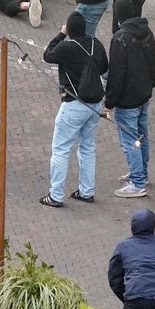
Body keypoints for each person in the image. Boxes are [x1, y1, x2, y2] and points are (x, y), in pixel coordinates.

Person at [39, 12, 108, 207]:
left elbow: (47, 55)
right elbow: (103, 68)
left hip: (74, 103)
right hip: (94, 104)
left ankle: (56, 195)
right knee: (87, 148)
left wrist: (61, 34)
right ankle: (87, 192)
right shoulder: (96, 44)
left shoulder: (67, 47)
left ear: (69, 29)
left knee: (60, 149)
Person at [105, 0, 155, 198]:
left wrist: (109, 101)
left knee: (130, 141)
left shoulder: (120, 38)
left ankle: (137, 182)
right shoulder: (147, 32)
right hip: (143, 94)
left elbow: (117, 73)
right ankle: (142, 174)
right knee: (142, 136)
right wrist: (150, 84)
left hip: (127, 99)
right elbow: (154, 64)